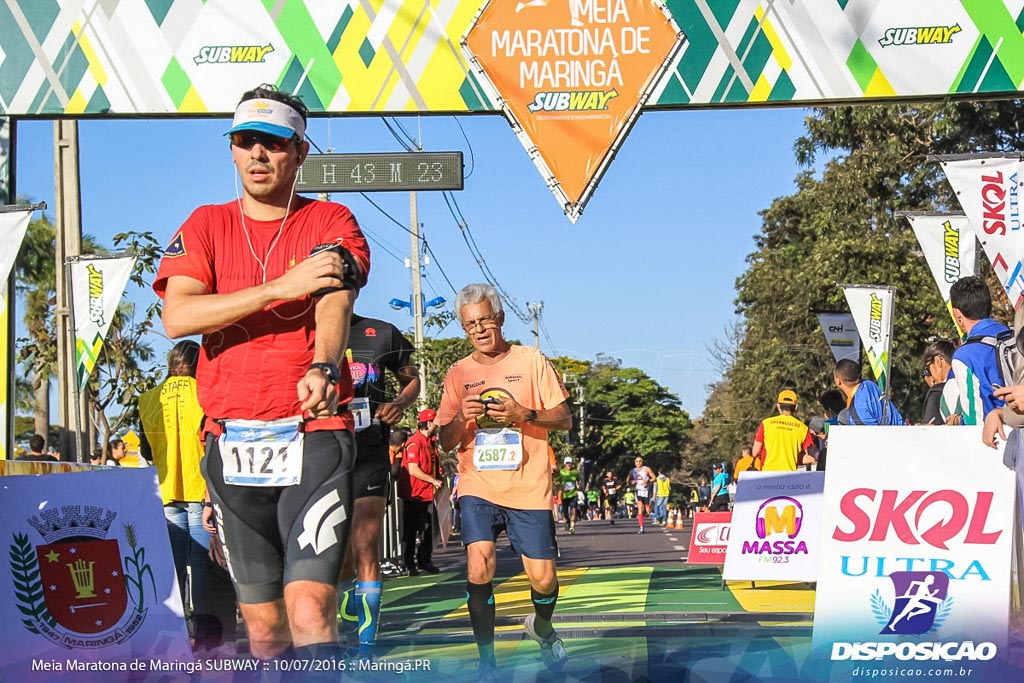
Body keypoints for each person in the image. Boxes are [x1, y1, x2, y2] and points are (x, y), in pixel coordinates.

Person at [154, 83, 371, 667]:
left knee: (309, 610)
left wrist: (325, 364)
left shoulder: (330, 219)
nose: (258, 154)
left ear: (298, 153)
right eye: (245, 141)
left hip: (313, 436)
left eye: (273, 144)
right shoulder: (204, 224)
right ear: (231, 150)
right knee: (264, 628)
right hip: (232, 443)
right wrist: (280, 287)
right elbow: (179, 316)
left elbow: (333, 302)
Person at [437, 283, 572, 681]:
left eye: (483, 321)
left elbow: (563, 418)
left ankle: (543, 628)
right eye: (469, 325)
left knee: (544, 578)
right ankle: (486, 661)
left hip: (529, 486)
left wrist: (522, 412)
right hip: (478, 485)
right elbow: (446, 441)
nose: (478, 330)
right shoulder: (458, 373)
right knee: (479, 565)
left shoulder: (531, 361)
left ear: (499, 318)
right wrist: (462, 418)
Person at [139, 340, 237, 651]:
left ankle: (173, 637)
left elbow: (144, 450)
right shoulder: (206, 394)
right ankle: (208, 637)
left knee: (172, 570)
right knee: (204, 570)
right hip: (201, 491)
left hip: (167, 493)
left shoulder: (148, 399)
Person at [337, 313, 420, 659]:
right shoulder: (301, 331)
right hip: (321, 453)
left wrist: (399, 402)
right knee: (337, 552)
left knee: (365, 544)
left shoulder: (381, 333)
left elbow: (412, 379)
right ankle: (346, 634)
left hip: (369, 450)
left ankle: (366, 646)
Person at [948, 276, 1011, 425]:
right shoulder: (1014, 336)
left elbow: (975, 420)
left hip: (999, 440)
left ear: (957, 314)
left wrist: (957, 421)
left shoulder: (964, 357)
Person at [398, 409, 443, 576]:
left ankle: (425, 560)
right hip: (415, 495)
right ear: (429, 424)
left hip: (429, 494)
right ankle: (408, 564)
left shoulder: (430, 442)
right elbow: (413, 469)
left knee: (428, 529)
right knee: (410, 531)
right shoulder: (414, 442)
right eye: (435, 423)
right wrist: (432, 480)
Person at [752, 390, 816, 471]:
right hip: (789, 477)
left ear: (778, 406)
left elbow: (755, 452)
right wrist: (795, 458)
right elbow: (812, 457)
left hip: (767, 475)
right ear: (796, 407)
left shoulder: (766, 424)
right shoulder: (803, 428)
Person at [833, 360, 906, 426]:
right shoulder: (869, 384)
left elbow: (872, 438)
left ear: (838, 380)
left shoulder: (856, 411)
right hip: (903, 431)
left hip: (894, 438)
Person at [921, 340, 956, 425]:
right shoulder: (966, 378)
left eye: (928, 370)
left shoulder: (937, 392)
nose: (931, 377)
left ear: (938, 360)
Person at [628, 456, 656, 534]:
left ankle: (649, 512)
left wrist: (647, 480)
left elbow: (654, 478)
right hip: (638, 490)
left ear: (642, 462)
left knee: (647, 508)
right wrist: (632, 482)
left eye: (640, 461)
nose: (638, 462)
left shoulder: (646, 469)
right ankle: (641, 527)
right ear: (635, 463)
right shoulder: (633, 471)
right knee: (640, 507)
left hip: (646, 490)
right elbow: (629, 479)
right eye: (637, 461)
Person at [556, 457, 581, 533]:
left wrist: (578, 486)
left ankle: (572, 527)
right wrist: (561, 487)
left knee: (573, 510)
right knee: (565, 513)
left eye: (570, 463)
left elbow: (579, 480)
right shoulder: (561, 472)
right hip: (564, 496)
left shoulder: (575, 472)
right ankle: (567, 522)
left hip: (573, 495)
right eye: (567, 463)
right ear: (565, 464)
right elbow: (555, 481)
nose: (569, 464)